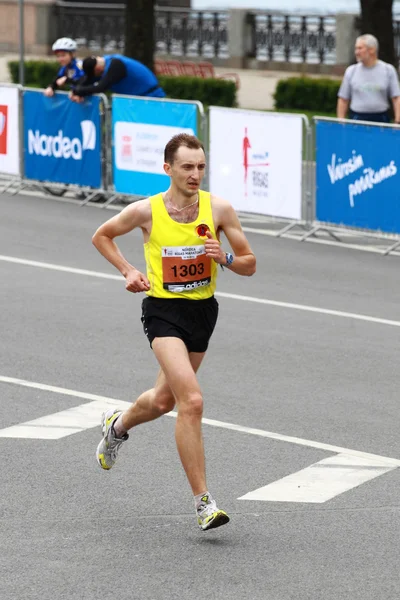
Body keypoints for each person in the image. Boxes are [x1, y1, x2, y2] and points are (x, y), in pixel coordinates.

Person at [92, 133, 256, 532]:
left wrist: (227, 258)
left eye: (200, 166)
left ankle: (117, 426)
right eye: (187, 166)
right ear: (168, 169)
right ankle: (204, 503)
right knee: (193, 401)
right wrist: (130, 271)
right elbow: (102, 236)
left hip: (203, 311)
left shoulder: (218, 209)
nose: (195, 174)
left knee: (164, 400)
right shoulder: (146, 211)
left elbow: (250, 263)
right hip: (162, 311)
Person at [337, 34, 400, 124]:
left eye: (360, 48)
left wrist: (398, 121)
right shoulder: (351, 71)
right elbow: (343, 99)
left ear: (372, 50)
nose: (356, 52)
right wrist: (341, 121)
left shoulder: (388, 70)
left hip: (381, 119)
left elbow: (396, 98)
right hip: (357, 118)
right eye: (356, 48)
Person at [69, 54, 165, 103]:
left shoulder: (116, 65)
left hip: (151, 99)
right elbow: (87, 80)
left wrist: (78, 91)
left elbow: (100, 87)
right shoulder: (103, 64)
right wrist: (75, 91)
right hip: (138, 101)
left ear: (98, 69)